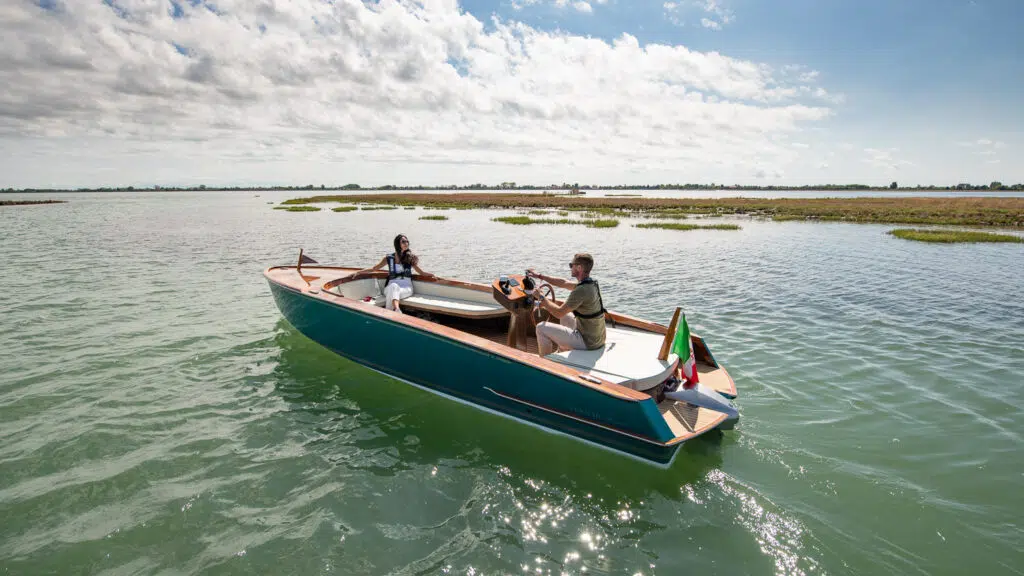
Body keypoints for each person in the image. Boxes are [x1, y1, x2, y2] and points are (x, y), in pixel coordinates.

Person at [527, 253, 607, 357]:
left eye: (571, 265)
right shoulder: (590, 284)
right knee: (566, 315)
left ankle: (545, 361)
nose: (570, 267)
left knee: (540, 328)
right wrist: (539, 276)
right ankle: (563, 350)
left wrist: (541, 297)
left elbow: (558, 313)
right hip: (597, 338)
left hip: (588, 342)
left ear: (579, 267)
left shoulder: (581, 290)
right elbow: (563, 282)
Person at [357, 234, 434, 313]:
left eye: (407, 241)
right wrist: (359, 272)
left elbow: (421, 272)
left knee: (393, 290)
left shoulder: (410, 257)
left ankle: (390, 312)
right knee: (393, 286)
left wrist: (432, 275)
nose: (406, 243)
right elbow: (374, 269)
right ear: (398, 244)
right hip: (390, 287)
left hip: (406, 288)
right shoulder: (389, 258)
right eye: (403, 242)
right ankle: (397, 310)